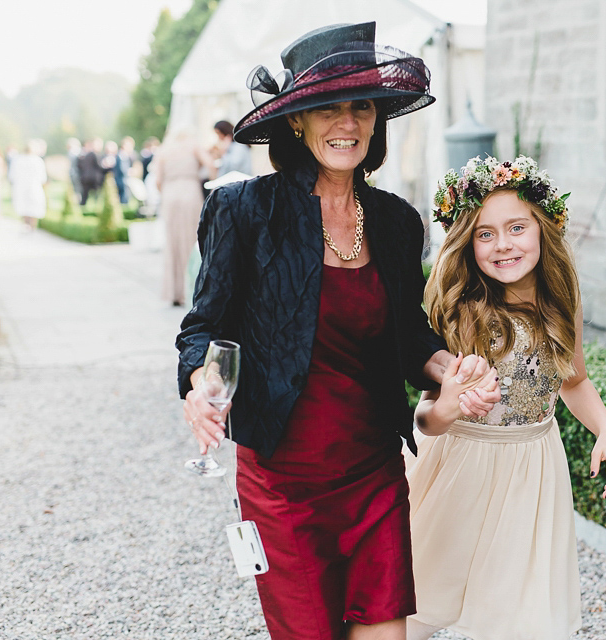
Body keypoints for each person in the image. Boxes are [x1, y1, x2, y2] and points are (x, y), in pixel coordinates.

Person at [177, 22, 500, 640]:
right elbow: (204, 329)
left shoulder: (397, 223)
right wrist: (201, 389)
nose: (345, 122)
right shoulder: (244, 212)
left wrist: (453, 369)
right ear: (297, 122)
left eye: (359, 105)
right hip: (283, 480)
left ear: (377, 118)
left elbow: (411, 341)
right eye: (326, 107)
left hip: (373, 473)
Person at [405, 156, 606, 640]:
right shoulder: (460, 307)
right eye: (484, 233)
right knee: (417, 602)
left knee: (524, 614)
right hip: (458, 466)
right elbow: (425, 417)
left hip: (532, 468)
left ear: (544, 228)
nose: (503, 244)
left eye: (516, 227)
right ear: (467, 241)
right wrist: (453, 405)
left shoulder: (562, 298)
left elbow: (573, 380)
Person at [154, 126, 211, 306]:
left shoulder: (163, 150)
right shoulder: (193, 145)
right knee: (192, 241)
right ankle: (192, 291)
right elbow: (210, 165)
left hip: (170, 194)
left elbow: (157, 180)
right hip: (190, 192)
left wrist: (167, 192)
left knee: (172, 243)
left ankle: (174, 293)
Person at [8, 140, 48, 232]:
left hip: (21, 186)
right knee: (33, 206)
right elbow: (43, 178)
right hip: (33, 186)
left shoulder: (17, 159)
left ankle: (26, 224)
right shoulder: (38, 160)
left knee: (24, 205)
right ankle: (32, 225)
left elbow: (12, 176)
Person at [77, 139, 104, 206]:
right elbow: (100, 166)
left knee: (85, 196)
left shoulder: (86, 154)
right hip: (93, 179)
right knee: (96, 196)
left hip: (85, 177)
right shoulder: (94, 154)